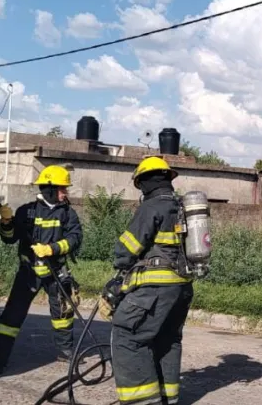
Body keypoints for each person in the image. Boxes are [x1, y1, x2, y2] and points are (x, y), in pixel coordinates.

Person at [0, 165, 83, 380]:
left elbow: (75, 238)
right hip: (28, 273)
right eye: (63, 189)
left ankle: (66, 353)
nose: (66, 193)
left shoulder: (68, 213)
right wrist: (6, 222)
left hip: (56, 272)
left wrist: (51, 249)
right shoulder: (26, 211)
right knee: (10, 319)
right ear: (50, 189)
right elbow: (9, 238)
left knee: (63, 315)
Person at [102, 156, 194, 405]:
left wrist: (118, 273)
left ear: (143, 182)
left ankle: (142, 401)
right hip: (182, 289)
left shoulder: (151, 207)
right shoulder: (183, 207)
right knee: (167, 340)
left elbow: (126, 250)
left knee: (127, 336)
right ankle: (167, 398)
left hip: (154, 290)